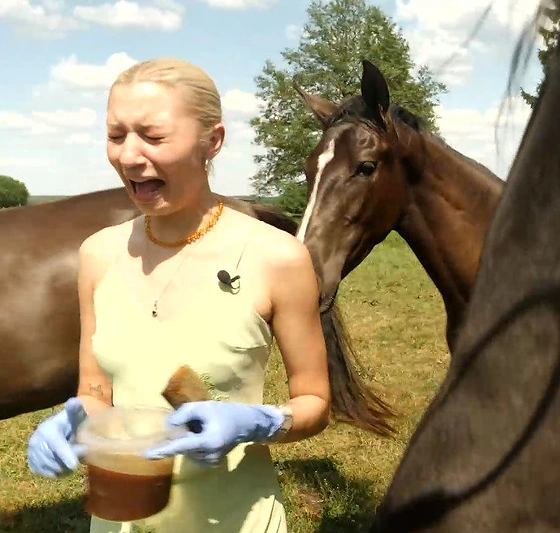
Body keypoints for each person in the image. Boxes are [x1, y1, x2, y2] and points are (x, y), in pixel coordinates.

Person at [25, 57, 331, 533]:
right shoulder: (98, 255)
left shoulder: (278, 257)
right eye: (116, 135)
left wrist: (260, 422)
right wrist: (76, 423)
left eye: (153, 136)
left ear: (213, 141)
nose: (128, 155)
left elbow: (314, 401)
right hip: (121, 519)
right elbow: (95, 393)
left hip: (236, 520)